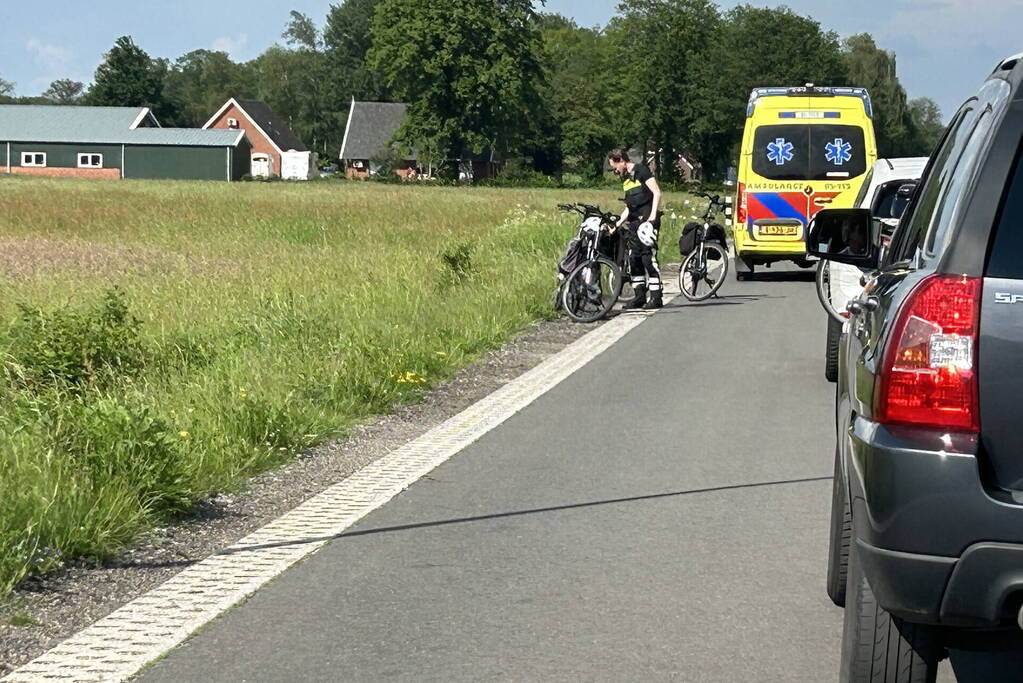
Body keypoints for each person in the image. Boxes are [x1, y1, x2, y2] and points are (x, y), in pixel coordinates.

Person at [607, 149, 664, 309]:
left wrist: (652, 216)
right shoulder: (625, 179)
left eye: (615, 167)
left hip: (647, 221)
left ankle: (656, 297)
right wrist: (616, 224)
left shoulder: (642, 171)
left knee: (648, 258)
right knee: (634, 259)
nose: (615, 171)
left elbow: (657, 193)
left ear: (622, 161)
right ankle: (639, 296)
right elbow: (629, 207)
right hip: (633, 223)